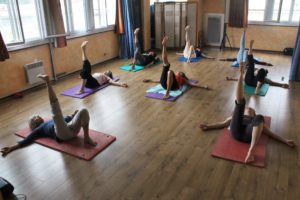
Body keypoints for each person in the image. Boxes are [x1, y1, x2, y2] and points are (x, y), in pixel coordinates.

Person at [200, 62, 295, 163]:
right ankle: (241, 75)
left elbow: (271, 134)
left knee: (260, 117)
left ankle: (250, 152)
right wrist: (208, 126)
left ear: (253, 114)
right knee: (240, 103)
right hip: (236, 130)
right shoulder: (237, 116)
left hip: (248, 135)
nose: (249, 108)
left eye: (251, 110)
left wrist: (285, 141)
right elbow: (222, 124)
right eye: (247, 108)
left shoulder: (256, 120)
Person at [1, 74, 97, 157]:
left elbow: (65, 121)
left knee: (83, 110)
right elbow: (28, 139)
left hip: (72, 129)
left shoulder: (48, 122)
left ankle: (86, 137)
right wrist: (12, 148)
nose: (37, 116)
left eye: (36, 115)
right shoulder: (40, 129)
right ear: (33, 125)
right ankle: (48, 82)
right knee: (56, 111)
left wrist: (73, 116)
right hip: (62, 135)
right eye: (34, 118)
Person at [143, 36, 210, 99]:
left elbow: (191, 85)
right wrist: (150, 80)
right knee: (166, 65)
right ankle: (164, 46)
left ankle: (167, 93)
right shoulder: (173, 76)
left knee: (169, 70)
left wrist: (203, 87)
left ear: (182, 75)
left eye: (180, 73)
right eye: (179, 72)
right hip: (164, 84)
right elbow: (159, 81)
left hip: (174, 87)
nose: (178, 72)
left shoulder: (182, 79)